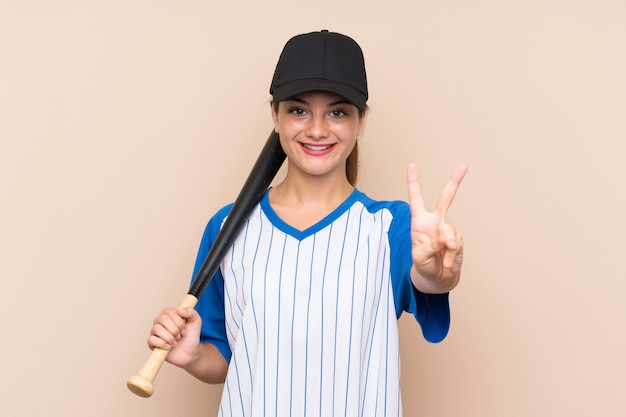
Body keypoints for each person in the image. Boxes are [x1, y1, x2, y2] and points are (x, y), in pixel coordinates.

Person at [148, 30, 467, 416]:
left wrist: (437, 272)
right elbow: (226, 355)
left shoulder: (391, 226)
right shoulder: (226, 227)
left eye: (337, 112)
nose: (317, 129)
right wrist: (196, 354)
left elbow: (429, 281)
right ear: (275, 115)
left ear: (360, 120)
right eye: (299, 110)